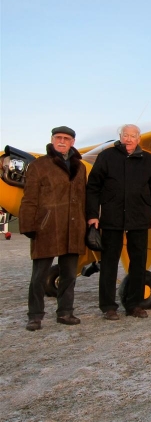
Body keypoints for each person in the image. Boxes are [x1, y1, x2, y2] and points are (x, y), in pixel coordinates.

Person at [86, 124, 151, 320]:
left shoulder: (148, 160)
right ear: (120, 137)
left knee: (138, 262)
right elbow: (93, 187)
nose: (128, 139)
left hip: (139, 218)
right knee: (109, 262)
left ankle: (134, 304)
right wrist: (93, 214)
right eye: (125, 135)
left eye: (132, 136)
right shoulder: (106, 157)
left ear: (139, 139)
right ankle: (108, 306)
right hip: (112, 217)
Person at [19, 126, 87, 331]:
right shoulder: (38, 165)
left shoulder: (80, 167)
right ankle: (35, 316)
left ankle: (65, 312)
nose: (62, 141)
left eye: (66, 138)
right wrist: (29, 224)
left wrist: (86, 222)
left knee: (69, 274)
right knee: (39, 275)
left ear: (72, 142)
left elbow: (84, 198)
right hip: (47, 227)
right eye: (58, 137)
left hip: (73, 226)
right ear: (52, 139)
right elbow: (29, 198)